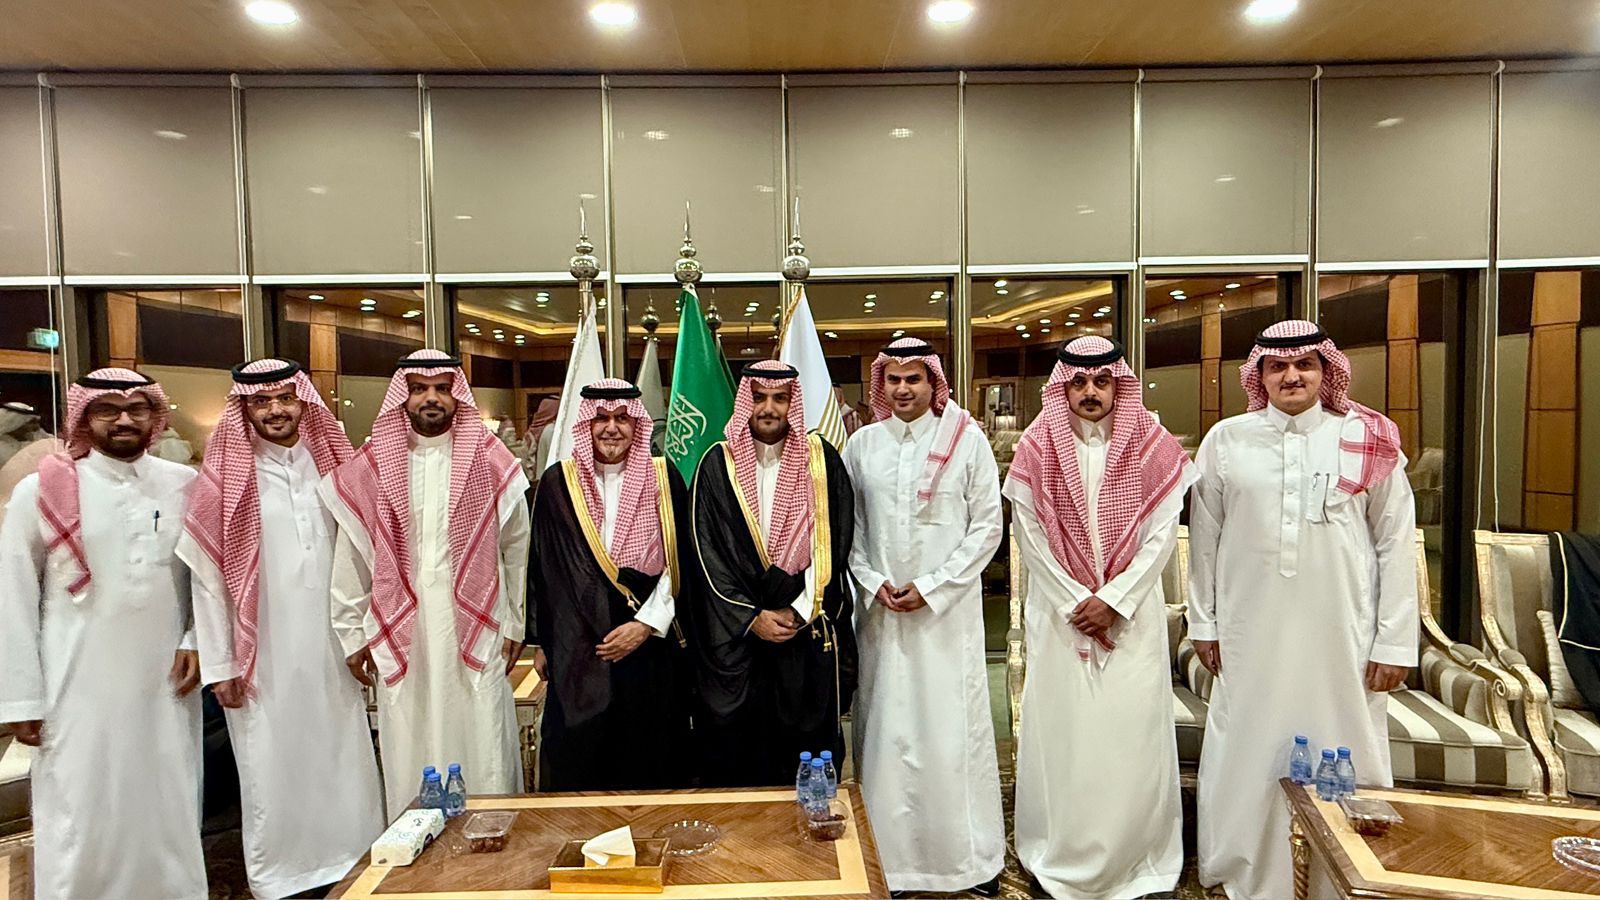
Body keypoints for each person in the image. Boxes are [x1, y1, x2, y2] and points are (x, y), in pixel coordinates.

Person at [1189, 320, 1417, 899]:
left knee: (1346, 738)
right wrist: (1203, 623)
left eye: (1305, 365)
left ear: (1325, 371)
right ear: (1260, 376)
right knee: (1246, 742)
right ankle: (1243, 863)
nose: (1291, 376)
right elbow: (1204, 542)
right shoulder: (1227, 440)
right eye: (1278, 366)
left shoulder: (1367, 436)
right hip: (1248, 629)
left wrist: (1394, 641)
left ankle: (1351, 875)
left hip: (1342, 633)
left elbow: (1395, 542)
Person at [178, 359, 384, 897]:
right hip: (261, 651)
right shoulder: (225, 478)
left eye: (286, 398)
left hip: (332, 644)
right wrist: (220, 663)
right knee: (270, 760)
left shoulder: (333, 463)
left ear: (303, 402)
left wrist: (364, 632)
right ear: (244, 409)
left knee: (343, 748)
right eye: (262, 401)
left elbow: (366, 554)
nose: (276, 410)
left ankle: (354, 852)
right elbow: (207, 579)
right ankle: (283, 875)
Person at [0, 369, 206, 900]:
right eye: (108, 409)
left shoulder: (183, 484)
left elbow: (204, 579)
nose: (123, 420)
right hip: (74, 682)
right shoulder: (41, 489)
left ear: (154, 416)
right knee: (80, 802)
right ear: (84, 417)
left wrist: (194, 639)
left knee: (167, 795)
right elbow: (12, 593)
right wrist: (20, 698)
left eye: (136, 408)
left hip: (163, 680)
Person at [1003, 336, 1197, 899]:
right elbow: (1029, 537)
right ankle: (1060, 851)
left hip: (1130, 623)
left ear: (1119, 385)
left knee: (1130, 739)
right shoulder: (1036, 446)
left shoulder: (1154, 446)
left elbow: (1162, 536)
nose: (1090, 391)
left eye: (1102, 381)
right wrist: (1075, 601)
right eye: (1079, 382)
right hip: (1060, 622)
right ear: (1063, 386)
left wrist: (1114, 600)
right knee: (1065, 738)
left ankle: (1137, 856)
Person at [320, 349, 532, 813]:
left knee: (482, 731)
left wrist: (515, 622)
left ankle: (489, 829)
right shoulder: (372, 464)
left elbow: (516, 549)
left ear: (458, 396)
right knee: (409, 733)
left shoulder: (491, 460)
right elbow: (353, 554)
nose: (430, 398)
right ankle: (412, 835)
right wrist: (352, 633)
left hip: (478, 623)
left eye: (441, 388)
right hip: (401, 625)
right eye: (418, 389)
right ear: (403, 396)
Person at [844, 338, 1004, 897]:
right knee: (886, 735)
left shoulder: (967, 439)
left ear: (933, 382)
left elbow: (987, 527)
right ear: (880, 385)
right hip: (882, 618)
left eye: (914, 378)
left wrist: (933, 587)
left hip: (946, 621)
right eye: (893, 379)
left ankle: (967, 862)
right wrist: (873, 581)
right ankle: (887, 862)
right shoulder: (861, 445)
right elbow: (848, 530)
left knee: (951, 736)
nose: (903, 389)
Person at [686, 359, 856, 787]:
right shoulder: (716, 463)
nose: (768, 408)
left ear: (792, 403)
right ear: (746, 401)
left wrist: (800, 609)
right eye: (759, 397)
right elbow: (705, 552)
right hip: (737, 638)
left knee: (804, 752)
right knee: (736, 756)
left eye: (780, 398)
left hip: (803, 629)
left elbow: (835, 541)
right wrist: (750, 617)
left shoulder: (821, 461)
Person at [527, 379, 691, 790]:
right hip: (579, 647)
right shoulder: (558, 483)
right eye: (601, 418)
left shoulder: (664, 478)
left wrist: (646, 625)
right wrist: (545, 642)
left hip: (648, 643)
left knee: (649, 758)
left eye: (622, 418)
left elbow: (682, 560)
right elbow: (545, 568)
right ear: (586, 423)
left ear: (637, 424)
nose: (611, 428)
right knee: (580, 761)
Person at [0, 401, 49, 469]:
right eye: (31, 422)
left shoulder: (36, 434)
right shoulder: (2, 447)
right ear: (14, 423)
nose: (37, 427)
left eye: (37, 422)